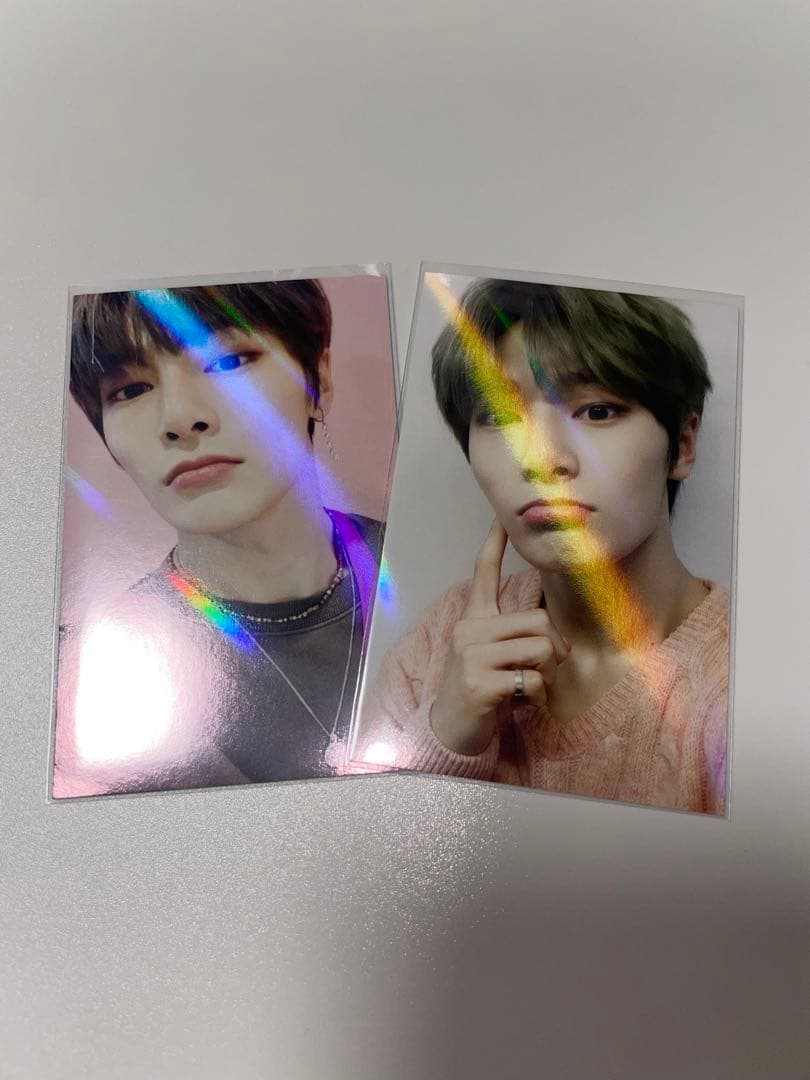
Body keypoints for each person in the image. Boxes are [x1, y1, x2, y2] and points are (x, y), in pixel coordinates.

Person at [355, 278, 729, 814]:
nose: (541, 459)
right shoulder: (439, 642)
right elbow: (350, 855)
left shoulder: (746, 679)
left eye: (597, 411)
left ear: (683, 445)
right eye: (499, 416)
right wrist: (447, 733)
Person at [54, 280, 385, 797]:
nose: (180, 420)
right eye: (130, 390)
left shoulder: (440, 576)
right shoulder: (92, 689)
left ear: (317, 381)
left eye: (228, 362)